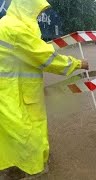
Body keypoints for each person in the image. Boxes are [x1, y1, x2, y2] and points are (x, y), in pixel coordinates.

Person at [0, 0, 89, 177]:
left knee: (9, 135)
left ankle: (11, 168)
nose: (39, 16)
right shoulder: (16, 29)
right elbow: (45, 58)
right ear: (27, 8)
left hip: (12, 91)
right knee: (30, 136)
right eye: (37, 12)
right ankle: (35, 171)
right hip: (15, 95)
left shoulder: (5, 24)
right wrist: (78, 63)